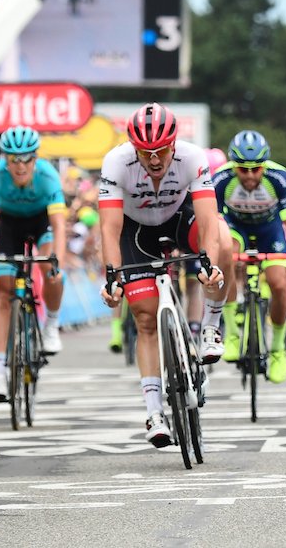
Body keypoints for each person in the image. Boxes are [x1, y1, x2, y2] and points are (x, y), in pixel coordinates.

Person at [98, 102, 231, 447]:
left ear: (173, 144)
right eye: (146, 153)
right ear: (134, 149)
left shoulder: (191, 157)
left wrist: (210, 265)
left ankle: (211, 327)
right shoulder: (116, 162)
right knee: (144, 319)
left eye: (161, 151)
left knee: (225, 240)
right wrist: (111, 277)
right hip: (135, 231)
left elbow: (207, 221)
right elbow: (109, 230)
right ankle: (154, 411)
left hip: (179, 218)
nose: (154, 160)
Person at [0, 126, 66, 402]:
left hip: (41, 223)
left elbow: (59, 226)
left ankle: (51, 324)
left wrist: (59, 263)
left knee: (51, 271)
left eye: (26, 158)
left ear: (35, 158)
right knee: (4, 294)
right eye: (13, 159)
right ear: (4, 159)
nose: (20, 166)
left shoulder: (48, 175)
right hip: (9, 227)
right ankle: (0, 372)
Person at [213, 130, 286, 384]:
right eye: (243, 169)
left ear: (264, 165)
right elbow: (212, 222)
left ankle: (277, 349)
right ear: (233, 165)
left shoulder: (278, 177)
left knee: (278, 284)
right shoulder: (221, 178)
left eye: (256, 169)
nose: (250, 175)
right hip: (235, 227)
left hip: (269, 230)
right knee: (226, 253)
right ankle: (230, 332)